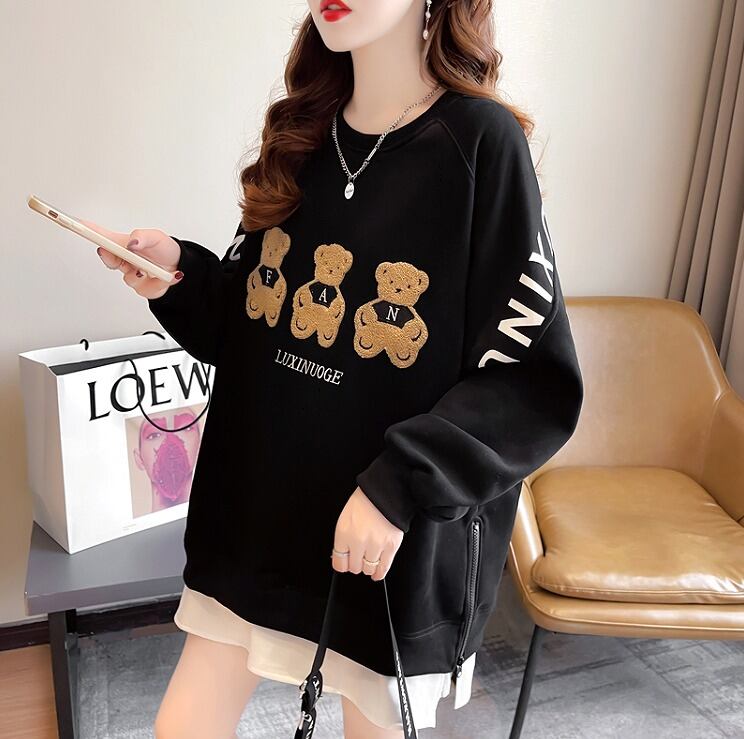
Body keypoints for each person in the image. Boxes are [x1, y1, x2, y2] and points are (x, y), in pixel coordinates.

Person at [86, 1, 584, 736]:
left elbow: (528, 377)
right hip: (255, 519)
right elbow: (254, 321)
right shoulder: (302, 131)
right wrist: (178, 275)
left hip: (383, 546)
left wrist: (397, 487)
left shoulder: (480, 143)